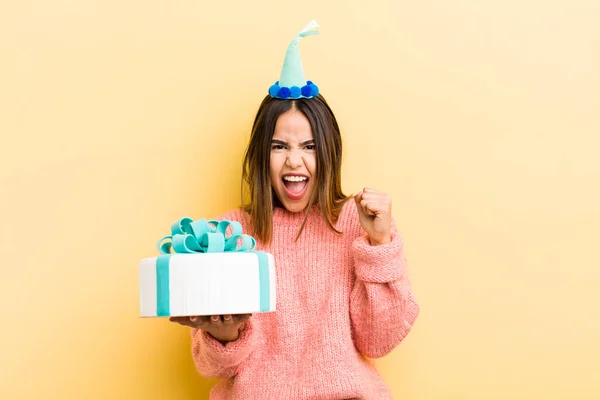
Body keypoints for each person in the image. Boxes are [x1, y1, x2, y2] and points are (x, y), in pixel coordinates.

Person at [169, 20, 420, 399]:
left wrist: (379, 242)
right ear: (261, 155)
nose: (294, 161)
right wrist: (224, 335)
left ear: (328, 152)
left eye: (308, 146)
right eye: (279, 147)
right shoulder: (229, 234)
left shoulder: (356, 224)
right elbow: (212, 367)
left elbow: (379, 340)